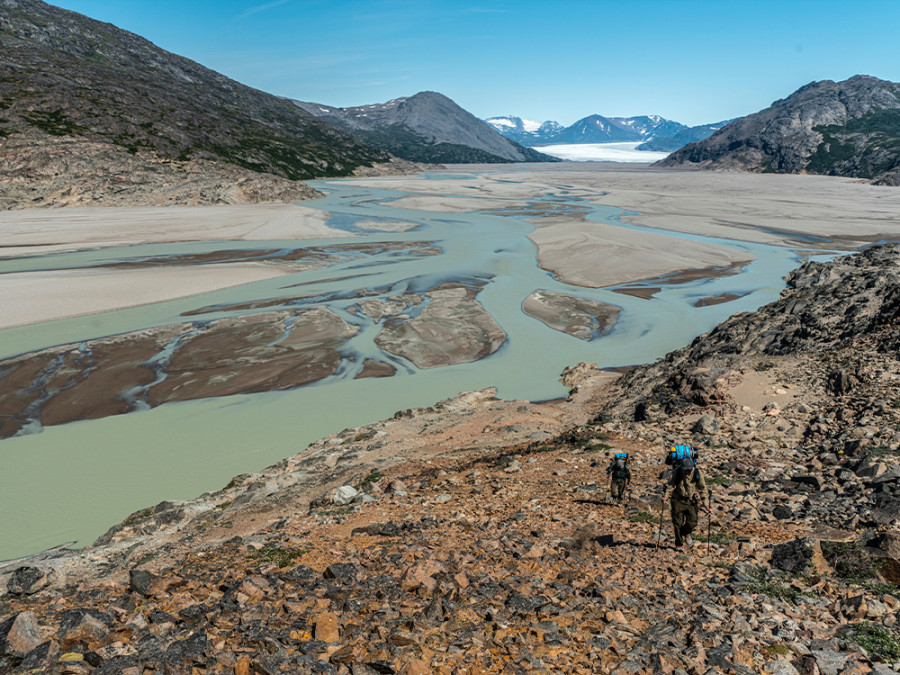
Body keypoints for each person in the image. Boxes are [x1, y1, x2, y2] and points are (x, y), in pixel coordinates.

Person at [662, 456, 710, 551]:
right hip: (677, 500)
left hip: (690, 501)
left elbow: (702, 489)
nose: (687, 473)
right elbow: (671, 485)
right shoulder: (677, 472)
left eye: (689, 470)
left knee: (692, 522)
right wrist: (666, 496)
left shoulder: (697, 473)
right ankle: (678, 544)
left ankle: (686, 533)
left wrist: (706, 505)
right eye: (685, 470)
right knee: (677, 524)